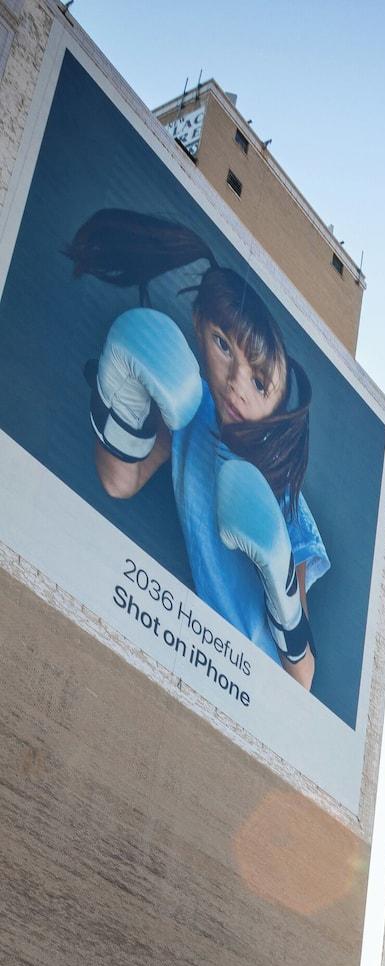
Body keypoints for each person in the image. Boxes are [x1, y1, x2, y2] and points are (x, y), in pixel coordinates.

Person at [66, 208, 326, 691]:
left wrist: (278, 572)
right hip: (199, 656)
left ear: (276, 403)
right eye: (223, 345)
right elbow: (118, 481)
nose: (236, 385)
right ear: (199, 322)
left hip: (259, 683)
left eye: (259, 381)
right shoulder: (187, 408)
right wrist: (121, 389)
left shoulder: (284, 490)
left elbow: (303, 675)